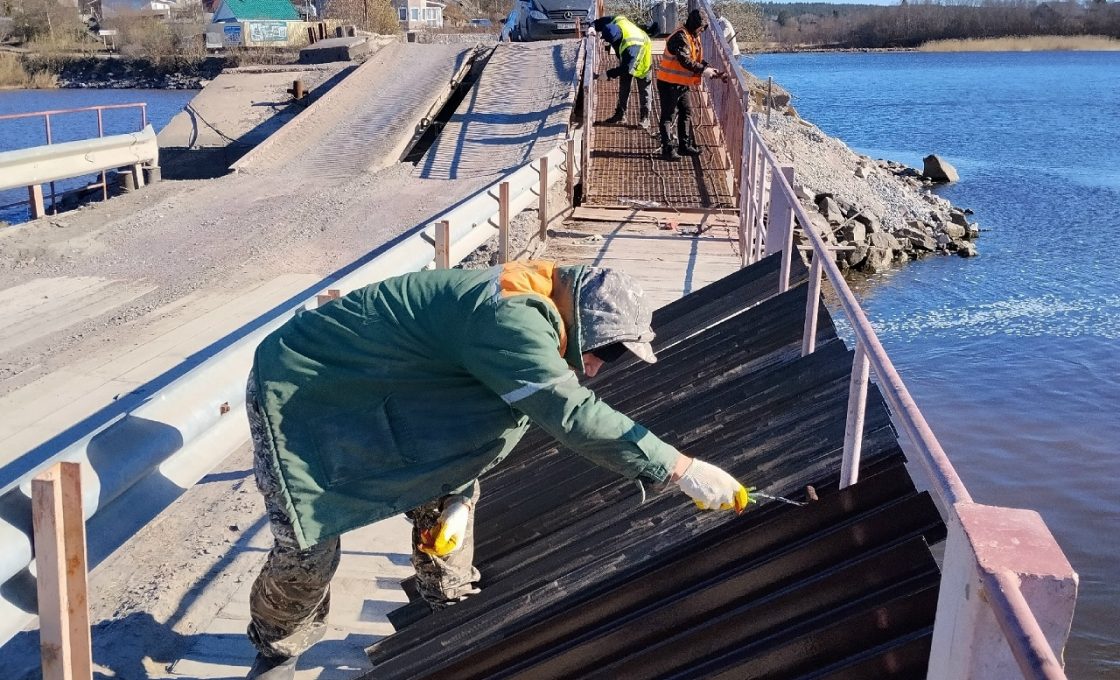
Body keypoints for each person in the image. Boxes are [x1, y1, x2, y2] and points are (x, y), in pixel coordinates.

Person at [242, 261, 752, 679]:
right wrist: (680, 469)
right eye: (607, 351)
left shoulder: (536, 310)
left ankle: (447, 610)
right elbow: (572, 415)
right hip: (300, 386)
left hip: (387, 388)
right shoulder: (513, 318)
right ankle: (277, 649)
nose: (597, 368)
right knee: (309, 551)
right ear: (587, 321)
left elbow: (463, 415)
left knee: (443, 509)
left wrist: (461, 494)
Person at [656, 9, 726, 161]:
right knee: (668, 116)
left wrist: (711, 70)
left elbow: (695, 59)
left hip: (681, 83)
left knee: (686, 112)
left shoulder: (692, 36)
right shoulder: (680, 37)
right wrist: (704, 70)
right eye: (701, 27)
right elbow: (685, 60)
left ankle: (684, 145)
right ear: (695, 25)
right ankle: (668, 149)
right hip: (668, 82)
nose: (702, 30)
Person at [590, 15, 655, 129]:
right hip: (627, 59)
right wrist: (592, 27)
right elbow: (600, 22)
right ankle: (620, 115)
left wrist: (608, 74)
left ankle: (645, 119)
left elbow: (626, 68)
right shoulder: (616, 21)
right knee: (624, 87)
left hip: (642, 60)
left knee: (644, 90)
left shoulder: (631, 46)